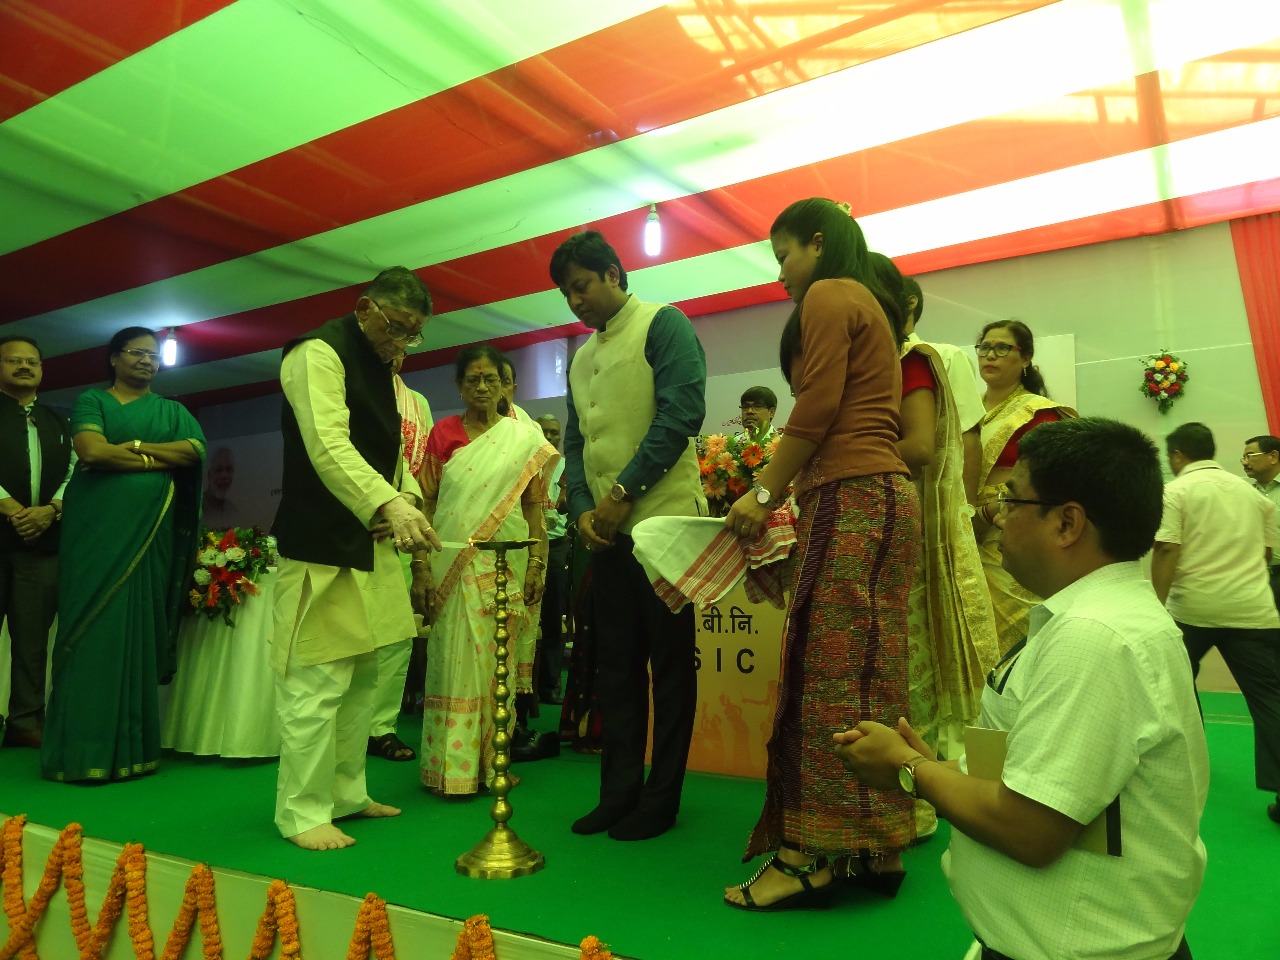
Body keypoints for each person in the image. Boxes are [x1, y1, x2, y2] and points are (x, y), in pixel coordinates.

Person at [837, 417, 1208, 960]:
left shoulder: (1094, 638)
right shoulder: (1104, 617)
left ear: (1067, 523)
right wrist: (940, 769)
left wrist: (909, 769)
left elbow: (1031, 829)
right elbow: (1046, 767)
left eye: (1012, 500)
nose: (999, 517)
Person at [721, 199, 918, 909]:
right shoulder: (871, 304)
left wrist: (763, 491)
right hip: (887, 498)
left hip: (850, 495)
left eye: (783, 256)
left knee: (823, 673)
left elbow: (816, 408)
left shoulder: (830, 293)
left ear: (817, 241)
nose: (779, 274)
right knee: (873, 674)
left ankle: (806, 856)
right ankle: (879, 845)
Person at [270, 267, 439, 851]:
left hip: (369, 544)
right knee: (316, 683)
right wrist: (388, 503)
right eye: (397, 327)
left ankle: (345, 795)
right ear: (366, 308)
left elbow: (390, 453)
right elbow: (327, 443)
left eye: (414, 334)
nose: (403, 343)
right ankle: (300, 813)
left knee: (364, 682)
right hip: (319, 546)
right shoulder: (316, 353)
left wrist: (407, 497)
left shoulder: (379, 366)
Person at [552, 229, 707, 841]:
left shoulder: (664, 325)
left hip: (664, 531)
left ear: (614, 274)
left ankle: (661, 800)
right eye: (566, 293)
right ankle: (617, 794)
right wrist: (583, 509)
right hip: (606, 536)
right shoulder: (581, 357)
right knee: (615, 669)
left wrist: (620, 496)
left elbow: (681, 415)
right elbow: (575, 443)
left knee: (670, 669)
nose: (575, 301)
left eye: (582, 286)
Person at [869, 253, 999, 842]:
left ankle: (921, 797)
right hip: (883, 524)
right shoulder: (875, 361)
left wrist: (843, 459)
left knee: (913, 658)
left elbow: (928, 446)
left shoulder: (918, 359)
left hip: (915, 529)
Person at [41, 328, 206, 782]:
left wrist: (133, 449)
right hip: (94, 535)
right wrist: (157, 461)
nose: (147, 361)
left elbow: (193, 452)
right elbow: (92, 451)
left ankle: (133, 751)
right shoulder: (92, 401)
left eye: (154, 355)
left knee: (139, 629)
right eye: (137, 353)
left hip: (151, 539)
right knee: (90, 631)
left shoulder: (173, 411)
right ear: (114, 358)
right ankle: (80, 752)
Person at [417, 344, 555, 793]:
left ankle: (491, 761)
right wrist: (421, 565)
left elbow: (534, 508)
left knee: (498, 662)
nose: (481, 387)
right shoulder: (443, 433)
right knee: (455, 660)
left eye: (490, 379)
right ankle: (452, 767)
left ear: (504, 385)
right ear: (459, 386)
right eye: (472, 380)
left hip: (506, 562)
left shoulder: (523, 439)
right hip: (453, 564)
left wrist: (536, 565)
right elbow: (428, 502)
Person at [1151, 422, 1280, 825]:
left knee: (1175, 685)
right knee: (1270, 700)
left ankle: (1188, 763)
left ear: (1177, 456)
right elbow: (1267, 554)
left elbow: (1166, 548)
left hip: (1193, 610)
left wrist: (1155, 605)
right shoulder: (1254, 495)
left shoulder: (1175, 491)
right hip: (1254, 610)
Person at [972, 319, 1074, 653]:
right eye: (985, 347)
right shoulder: (965, 409)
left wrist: (993, 509)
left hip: (1009, 530)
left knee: (1021, 639)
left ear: (1026, 358)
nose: (991, 355)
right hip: (963, 533)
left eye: (1003, 348)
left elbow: (1050, 480)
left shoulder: (1038, 414)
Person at [0, 336, 74, 749]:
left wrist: (52, 509)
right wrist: (12, 508)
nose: (25, 366)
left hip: (42, 543)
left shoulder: (58, 421)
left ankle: (25, 722)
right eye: (14, 360)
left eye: (33, 361)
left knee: (32, 640)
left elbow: (77, 470)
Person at [366, 353, 433, 762]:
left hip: (398, 533)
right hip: (349, 530)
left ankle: (381, 728)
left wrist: (402, 504)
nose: (394, 353)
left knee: (396, 635)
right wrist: (371, 507)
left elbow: (415, 469)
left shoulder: (416, 404)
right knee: (349, 637)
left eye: (403, 343)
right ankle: (346, 726)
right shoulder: (345, 389)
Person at [902, 275, 984, 504]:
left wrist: (967, 511)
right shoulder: (870, 361)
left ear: (911, 302)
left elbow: (968, 437)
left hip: (933, 499)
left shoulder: (946, 356)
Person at [536, 413, 569, 705]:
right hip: (528, 545)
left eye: (554, 432)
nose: (549, 436)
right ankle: (523, 689)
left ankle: (550, 685)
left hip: (557, 547)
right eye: (544, 431)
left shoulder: (567, 467)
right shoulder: (525, 461)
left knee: (552, 617)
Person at [1241, 433, 1280, 611]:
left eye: (1249, 456)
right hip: (1259, 577)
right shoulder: (1245, 494)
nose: (1244, 462)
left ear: (1273, 457)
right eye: (1243, 457)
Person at [201, 445, 240, 527]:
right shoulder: (198, 508)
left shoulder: (233, 511)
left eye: (229, 469)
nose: (224, 475)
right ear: (209, 475)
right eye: (219, 470)